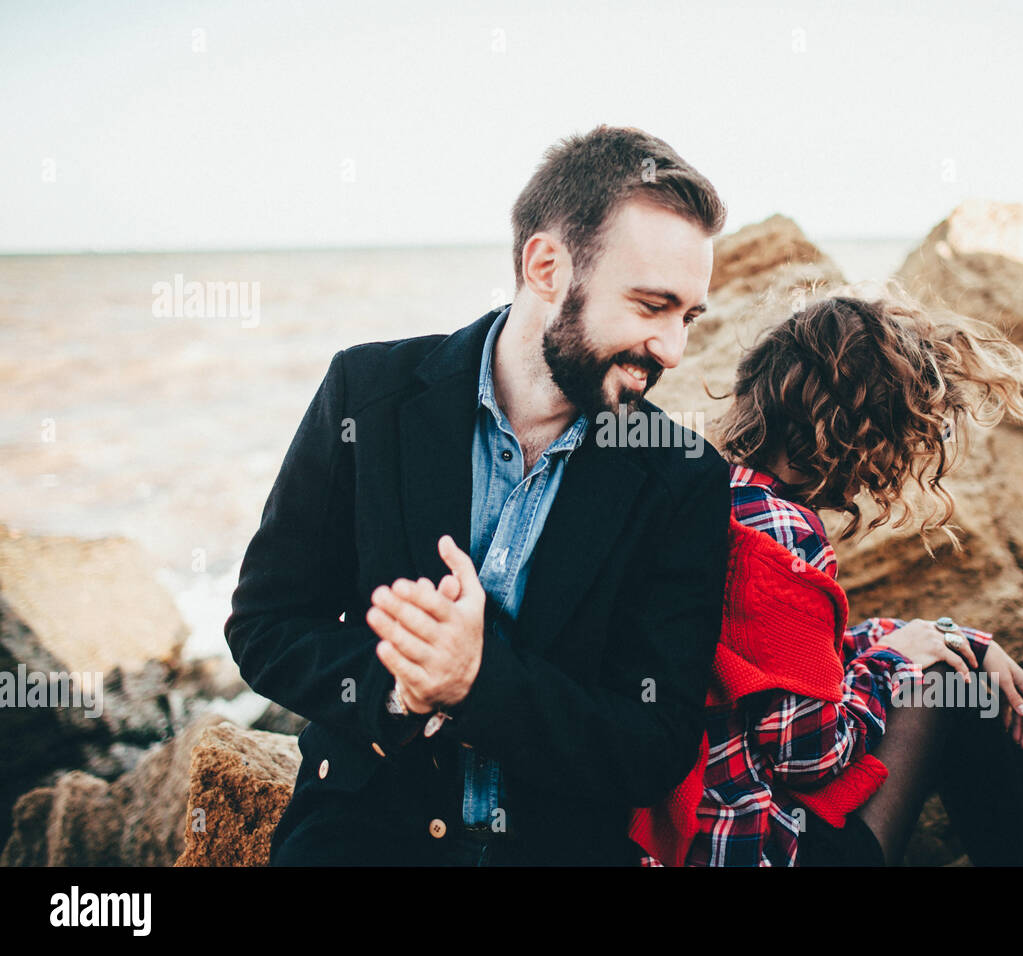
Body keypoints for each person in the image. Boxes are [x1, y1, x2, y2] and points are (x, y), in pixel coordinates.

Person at [226, 125, 733, 866]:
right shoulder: (367, 397)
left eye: (687, 317)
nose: (673, 349)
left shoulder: (684, 478)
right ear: (547, 265)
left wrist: (476, 681)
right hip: (356, 839)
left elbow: (653, 746)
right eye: (652, 305)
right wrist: (395, 692)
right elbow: (267, 625)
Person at [632, 291, 1023, 866]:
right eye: (897, 435)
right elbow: (810, 753)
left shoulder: (721, 501)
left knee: (944, 667)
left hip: (696, 833)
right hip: (756, 851)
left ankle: (1018, 780)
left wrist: (955, 640)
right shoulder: (784, 533)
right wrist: (898, 662)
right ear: (856, 432)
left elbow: (793, 667)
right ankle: (1019, 798)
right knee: (946, 691)